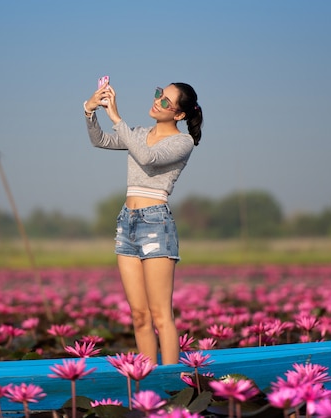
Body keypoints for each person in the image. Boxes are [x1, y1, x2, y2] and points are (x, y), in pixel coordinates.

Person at [83, 80, 203, 365]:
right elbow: (100, 140)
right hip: (127, 223)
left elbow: (148, 158)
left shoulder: (182, 142)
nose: (157, 101)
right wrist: (90, 111)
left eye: (166, 101)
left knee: (162, 315)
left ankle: (175, 384)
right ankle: (146, 381)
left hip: (155, 224)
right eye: (159, 94)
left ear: (179, 115)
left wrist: (116, 118)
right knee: (139, 315)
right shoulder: (137, 133)